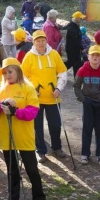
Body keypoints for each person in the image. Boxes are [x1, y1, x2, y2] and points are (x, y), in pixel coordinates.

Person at [0, 57, 45, 200]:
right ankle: (13, 197)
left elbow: (33, 112)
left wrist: (16, 112)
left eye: (10, 72)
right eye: (5, 73)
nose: (7, 75)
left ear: (18, 71)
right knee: (12, 169)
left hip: (24, 135)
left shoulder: (28, 88)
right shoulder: (1, 89)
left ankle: (39, 197)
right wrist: (2, 104)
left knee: (31, 168)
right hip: (7, 136)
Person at [21, 30, 68, 162]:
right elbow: (23, 77)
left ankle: (57, 147)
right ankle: (40, 150)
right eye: (38, 41)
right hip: (36, 99)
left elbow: (62, 72)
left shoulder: (53, 54)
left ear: (46, 41)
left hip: (53, 97)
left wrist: (59, 88)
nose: (41, 43)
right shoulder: (29, 56)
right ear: (34, 42)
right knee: (37, 125)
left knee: (55, 124)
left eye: (43, 40)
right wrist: (31, 90)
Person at [74, 45, 100, 166]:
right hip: (88, 103)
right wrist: (83, 99)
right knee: (87, 129)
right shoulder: (82, 70)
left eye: (98, 55)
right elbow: (76, 86)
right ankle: (85, 154)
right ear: (88, 57)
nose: (95, 58)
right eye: (93, 55)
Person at [65, 11, 86, 78]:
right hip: (72, 49)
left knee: (76, 64)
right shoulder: (72, 27)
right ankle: (58, 71)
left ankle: (77, 78)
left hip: (75, 48)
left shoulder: (75, 25)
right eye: (80, 18)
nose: (81, 19)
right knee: (71, 63)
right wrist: (82, 48)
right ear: (76, 18)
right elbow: (76, 40)